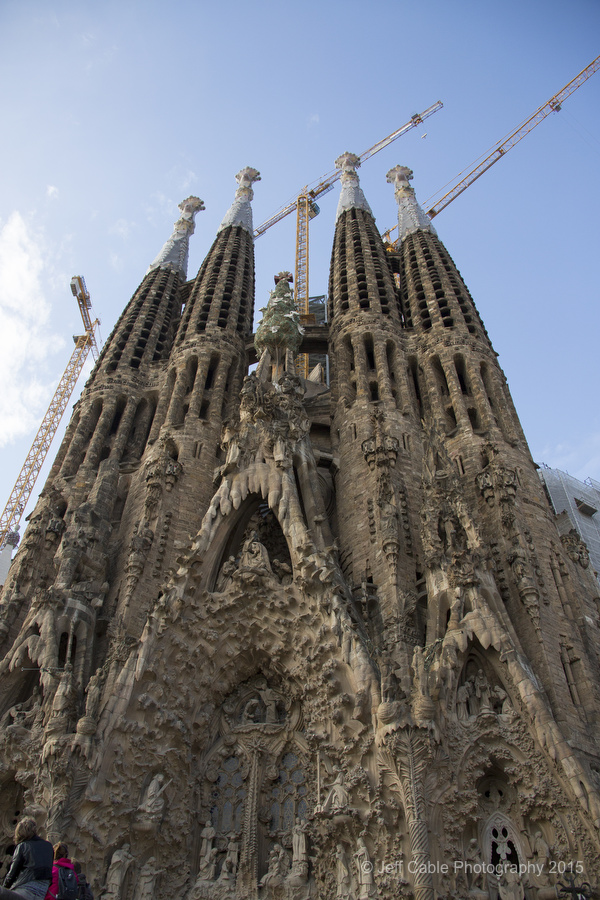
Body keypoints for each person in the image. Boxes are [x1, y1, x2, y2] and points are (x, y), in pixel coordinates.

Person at [3, 817, 53, 900]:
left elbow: (12, 873)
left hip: (26, 886)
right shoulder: (48, 846)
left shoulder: (22, 846)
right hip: (43, 889)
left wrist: (4, 889)